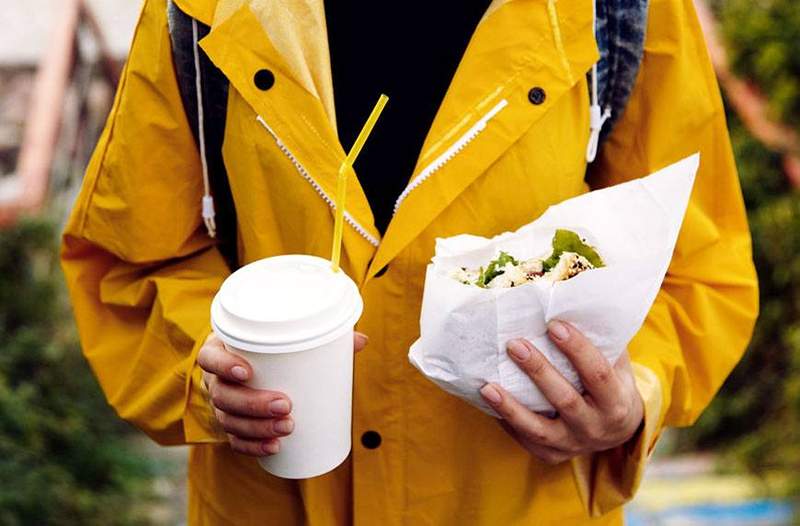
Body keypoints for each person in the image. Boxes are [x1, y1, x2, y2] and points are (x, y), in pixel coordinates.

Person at [61, 0, 758, 524]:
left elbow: (697, 264)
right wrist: (206, 368)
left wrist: (633, 395)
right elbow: (127, 262)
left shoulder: (617, 7)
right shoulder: (203, 8)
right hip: (267, 501)